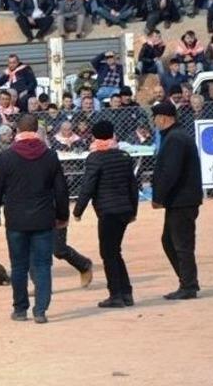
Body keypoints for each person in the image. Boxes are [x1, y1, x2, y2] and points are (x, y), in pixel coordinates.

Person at [0, 114, 70, 324]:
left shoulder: (6, 157)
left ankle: (20, 309)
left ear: (17, 130)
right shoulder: (50, 156)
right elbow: (61, 190)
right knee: (43, 265)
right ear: (37, 129)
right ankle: (40, 310)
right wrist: (62, 216)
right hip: (43, 218)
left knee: (18, 266)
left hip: (16, 219)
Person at [73, 120, 139, 308]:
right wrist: (133, 210)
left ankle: (116, 295)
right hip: (124, 210)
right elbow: (132, 186)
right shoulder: (123, 156)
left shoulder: (95, 158)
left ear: (94, 136)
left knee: (108, 253)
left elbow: (88, 186)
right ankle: (126, 293)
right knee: (115, 251)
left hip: (108, 211)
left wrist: (78, 210)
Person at [151, 101, 203, 300]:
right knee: (171, 241)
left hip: (182, 200)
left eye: (156, 117)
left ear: (164, 118)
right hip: (182, 200)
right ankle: (187, 281)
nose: (154, 121)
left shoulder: (175, 139)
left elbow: (170, 172)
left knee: (180, 243)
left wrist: (158, 197)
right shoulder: (176, 136)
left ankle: (188, 285)